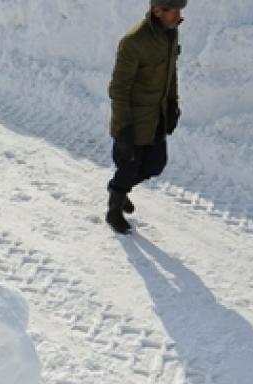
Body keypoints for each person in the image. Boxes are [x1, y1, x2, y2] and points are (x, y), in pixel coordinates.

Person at [106, 0, 185, 234]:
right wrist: (123, 127)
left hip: (157, 115)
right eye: (174, 11)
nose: (179, 16)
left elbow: (171, 73)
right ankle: (114, 210)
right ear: (157, 10)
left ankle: (119, 190)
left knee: (155, 165)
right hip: (134, 118)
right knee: (129, 165)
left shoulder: (170, 34)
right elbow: (118, 89)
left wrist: (173, 104)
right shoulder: (133, 42)